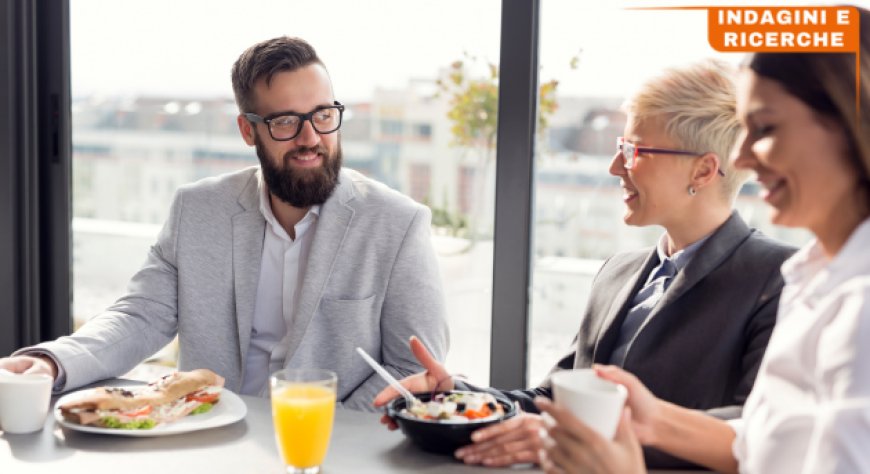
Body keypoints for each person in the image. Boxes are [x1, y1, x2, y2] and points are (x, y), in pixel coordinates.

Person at [374, 60, 795, 467]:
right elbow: (552, 401)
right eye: (619, 148)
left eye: (634, 151)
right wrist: (459, 398)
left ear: (704, 171)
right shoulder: (619, 272)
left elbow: (759, 433)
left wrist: (581, 438)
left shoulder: (781, 280)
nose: (616, 167)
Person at [0, 36, 449, 412]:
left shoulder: (398, 223)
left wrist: (321, 433)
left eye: (324, 116)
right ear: (248, 130)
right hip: (208, 439)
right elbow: (140, 316)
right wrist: (53, 363)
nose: (311, 138)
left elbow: (412, 369)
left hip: (329, 446)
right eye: (287, 122)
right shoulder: (197, 209)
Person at [536, 7, 870, 473]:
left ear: (852, 126)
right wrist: (651, 421)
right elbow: (765, 440)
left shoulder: (853, 303)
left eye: (767, 128)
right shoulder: (812, 279)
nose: (742, 156)